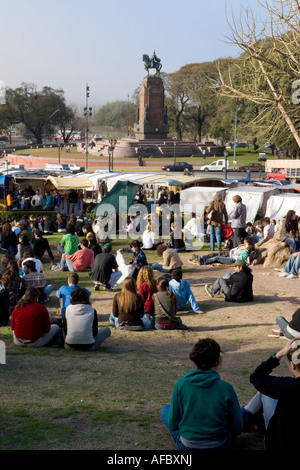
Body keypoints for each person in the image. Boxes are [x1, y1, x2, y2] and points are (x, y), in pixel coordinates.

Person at [160, 338, 243, 450]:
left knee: (165, 409)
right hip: (220, 444)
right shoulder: (226, 388)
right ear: (218, 361)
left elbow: (172, 424)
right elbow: (237, 428)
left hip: (188, 445)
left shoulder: (181, 384)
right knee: (241, 411)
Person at [241, 339, 300, 450]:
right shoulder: (288, 386)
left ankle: (244, 415)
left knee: (266, 393)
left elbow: (256, 377)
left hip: (282, 443)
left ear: (292, 365)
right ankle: (245, 415)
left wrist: (279, 354)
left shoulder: (289, 386)